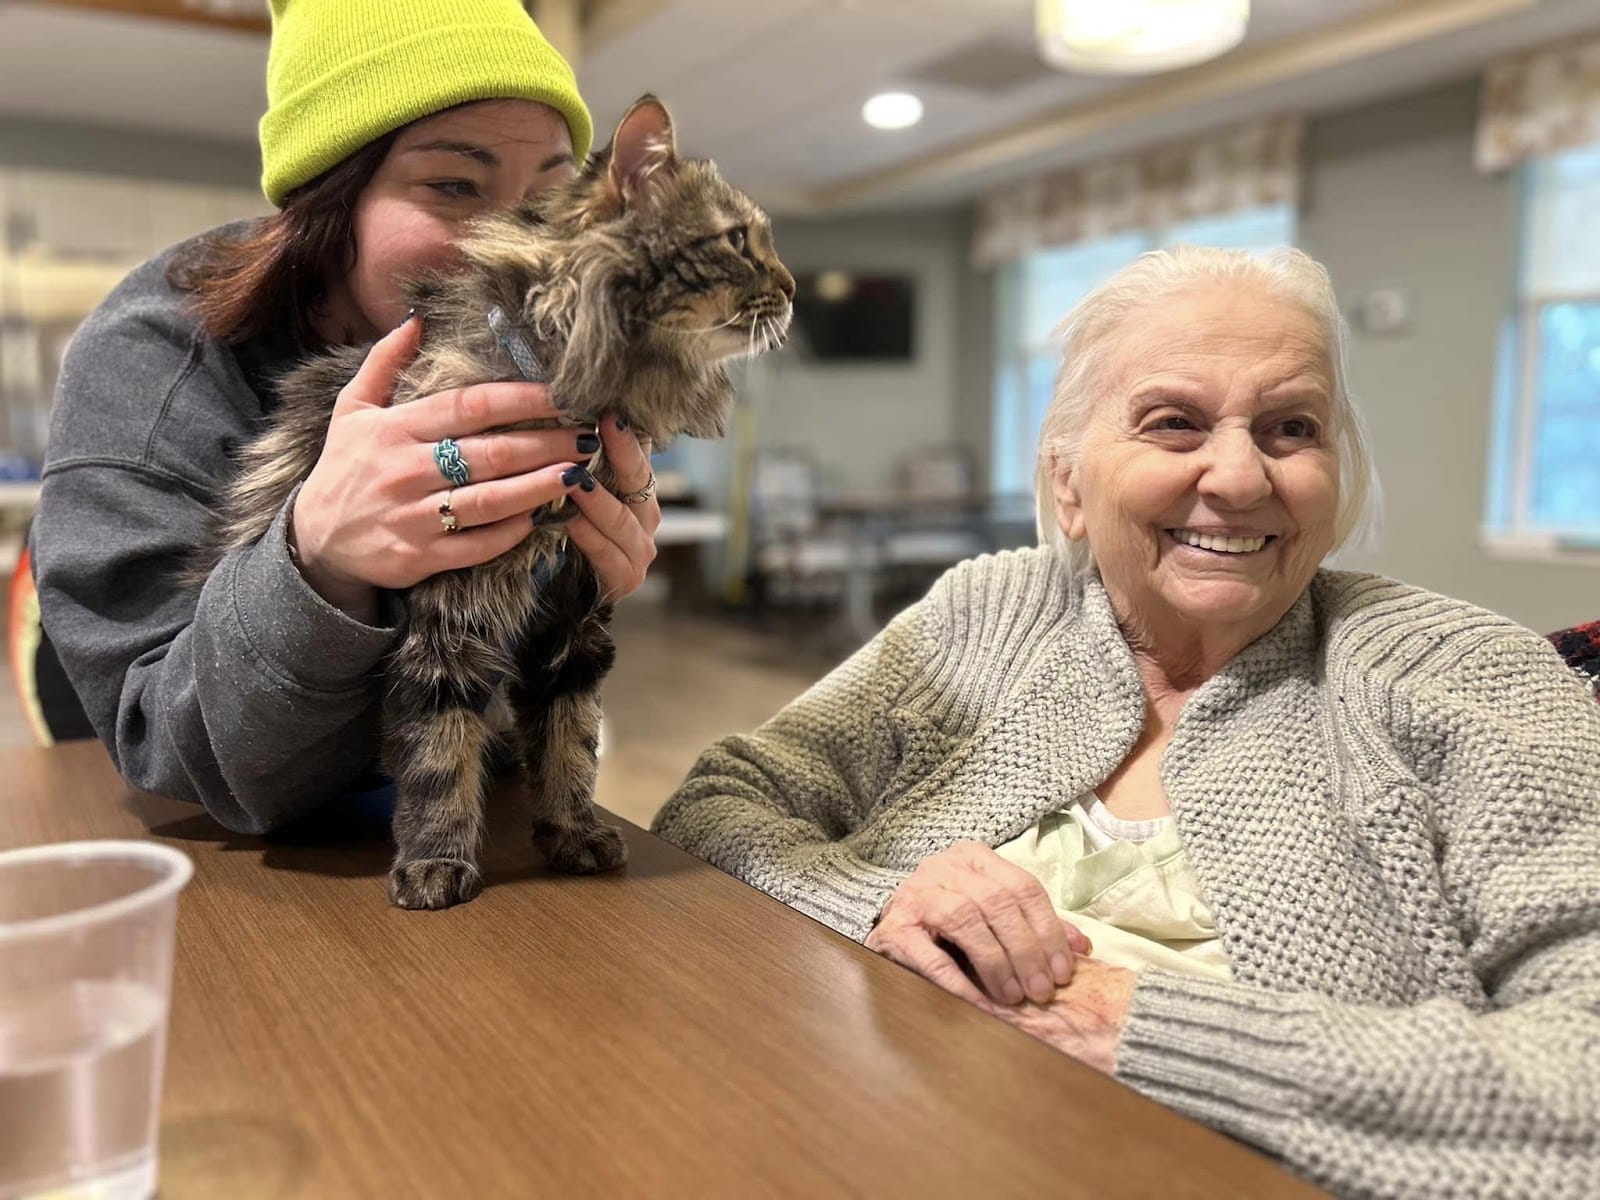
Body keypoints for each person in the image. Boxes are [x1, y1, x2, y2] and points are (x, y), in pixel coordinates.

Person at [654, 246, 1600, 1198]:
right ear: (1068, 482)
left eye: (1291, 429)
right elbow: (719, 807)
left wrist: (1144, 1031)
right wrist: (881, 904)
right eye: (1174, 423)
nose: (1237, 476)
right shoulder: (989, 614)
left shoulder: (1464, 674)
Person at [32, 0, 661, 834]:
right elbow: (165, 744)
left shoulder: (544, 344)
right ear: (329, 203)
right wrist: (320, 560)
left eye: (548, 194)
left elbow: (493, 676)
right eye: (452, 186)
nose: (523, 247)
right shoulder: (154, 359)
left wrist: (571, 581)